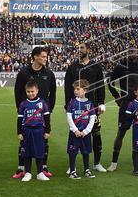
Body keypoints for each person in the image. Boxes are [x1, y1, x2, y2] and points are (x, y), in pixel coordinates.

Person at [13, 46, 57, 179]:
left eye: (46, 56)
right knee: (24, 140)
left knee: (44, 140)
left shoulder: (49, 74)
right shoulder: (23, 73)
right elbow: (17, 91)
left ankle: (43, 167)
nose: (45, 59)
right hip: (27, 113)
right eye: (43, 56)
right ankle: (21, 168)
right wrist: (20, 109)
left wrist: (49, 109)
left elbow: (53, 94)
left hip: (42, 113)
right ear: (35, 57)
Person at [64, 42, 107, 173]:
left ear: (88, 50)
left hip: (92, 107)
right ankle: (72, 166)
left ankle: (97, 163)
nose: (79, 50)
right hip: (76, 108)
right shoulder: (72, 67)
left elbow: (100, 85)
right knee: (75, 134)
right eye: (78, 48)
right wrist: (67, 105)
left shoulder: (96, 67)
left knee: (96, 134)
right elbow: (67, 88)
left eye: (82, 47)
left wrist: (101, 102)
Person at [108, 49, 138, 171]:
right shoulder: (121, 66)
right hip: (126, 103)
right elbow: (110, 81)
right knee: (121, 133)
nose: (132, 53)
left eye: (134, 51)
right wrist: (117, 97)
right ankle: (114, 163)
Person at [17, 80, 51, 182]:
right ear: (26, 91)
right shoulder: (23, 104)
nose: (30, 93)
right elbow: (19, 119)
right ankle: (28, 173)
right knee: (27, 152)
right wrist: (19, 132)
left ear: (37, 91)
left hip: (39, 131)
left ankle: (40, 173)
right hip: (27, 131)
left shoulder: (42, 103)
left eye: (32, 91)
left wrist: (47, 131)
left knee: (39, 152)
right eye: (28, 91)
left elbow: (47, 118)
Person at [65, 79, 97, 180]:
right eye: (75, 89)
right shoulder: (72, 102)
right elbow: (69, 117)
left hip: (85, 134)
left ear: (85, 90)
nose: (75, 91)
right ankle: (72, 171)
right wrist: (75, 130)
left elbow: (92, 118)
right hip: (74, 133)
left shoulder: (89, 104)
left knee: (86, 152)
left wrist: (86, 131)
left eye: (78, 89)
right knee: (72, 152)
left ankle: (87, 170)